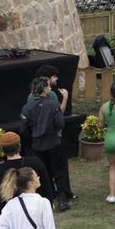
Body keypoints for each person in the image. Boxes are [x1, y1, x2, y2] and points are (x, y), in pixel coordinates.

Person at [20, 77, 70, 211]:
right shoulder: (53, 104)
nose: (50, 88)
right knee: (59, 171)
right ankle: (61, 198)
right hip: (54, 143)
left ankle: (47, 198)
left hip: (37, 146)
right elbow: (60, 123)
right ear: (43, 89)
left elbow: (23, 129)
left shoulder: (27, 107)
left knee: (43, 172)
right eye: (48, 86)